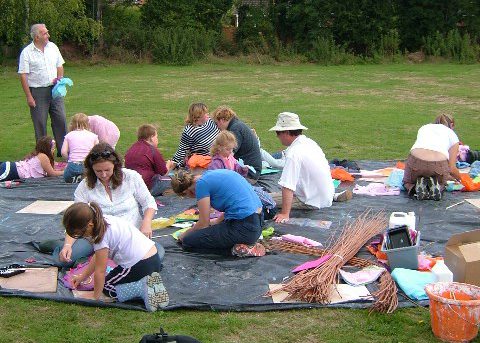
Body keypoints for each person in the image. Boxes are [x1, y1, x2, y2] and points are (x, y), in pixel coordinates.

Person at [55, 143, 157, 267]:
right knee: (63, 260)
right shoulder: (85, 185)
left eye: (107, 170)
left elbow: (148, 202)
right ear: (91, 169)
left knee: (156, 256)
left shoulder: (131, 177)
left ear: (115, 165)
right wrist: (67, 245)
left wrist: (146, 223)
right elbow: (77, 218)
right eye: (98, 171)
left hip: (130, 236)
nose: (103, 175)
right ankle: (65, 249)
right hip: (97, 238)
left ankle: (94, 261)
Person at [63, 202, 168, 311]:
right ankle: (152, 286)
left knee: (106, 287)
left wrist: (95, 296)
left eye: (81, 233)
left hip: (139, 264)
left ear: (89, 225)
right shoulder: (104, 220)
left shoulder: (101, 236)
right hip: (153, 259)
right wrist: (82, 277)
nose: (83, 236)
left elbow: (100, 271)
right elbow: (97, 257)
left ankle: (140, 287)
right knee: (110, 280)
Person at [268, 112, 351, 224]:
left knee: (262, 198)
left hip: (310, 201)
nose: (277, 136)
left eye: (278, 133)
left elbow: (287, 185)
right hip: (326, 195)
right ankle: (333, 196)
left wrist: (284, 214)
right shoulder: (310, 143)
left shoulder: (294, 153)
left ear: (286, 132)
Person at [171, 169, 265, 257]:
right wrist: (217, 221)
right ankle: (245, 243)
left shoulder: (201, 185)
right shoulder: (211, 174)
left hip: (245, 228)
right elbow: (237, 203)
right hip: (257, 221)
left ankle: (242, 249)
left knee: (189, 241)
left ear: (185, 192)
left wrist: (185, 234)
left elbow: (203, 223)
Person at [18, 24, 67, 156]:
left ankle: (63, 151)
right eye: (45, 33)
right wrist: (29, 96)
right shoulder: (27, 52)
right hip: (38, 92)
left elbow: (59, 65)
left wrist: (60, 81)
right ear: (37, 36)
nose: (48, 35)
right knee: (40, 122)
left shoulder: (53, 47)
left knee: (60, 119)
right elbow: (23, 74)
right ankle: (43, 154)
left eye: (47, 32)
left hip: (55, 89)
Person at [403, 114, 461, 201]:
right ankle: (438, 187)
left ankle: (414, 188)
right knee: (442, 182)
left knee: (407, 182)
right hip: (438, 167)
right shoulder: (452, 135)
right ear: (452, 125)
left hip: (416, 163)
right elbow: (452, 168)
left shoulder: (424, 128)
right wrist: (460, 178)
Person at [210, 106, 262, 181]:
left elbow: (229, 155)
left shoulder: (235, 129)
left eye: (216, 123)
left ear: (222, 120)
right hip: (250, 169)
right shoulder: (237, 125)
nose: (217, 127)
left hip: (249, 173)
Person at [125, 124, 173, 196]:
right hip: (146, 187)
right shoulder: (152, 150)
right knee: (175, 180)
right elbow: (163, 172)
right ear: (152, 137)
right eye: (156, 137)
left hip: (131, 186)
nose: (157, 139)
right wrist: (169, 165)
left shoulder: (131, 148)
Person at [171, 103, 219, 169]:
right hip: (202, 164)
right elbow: (182, 151)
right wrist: (171, 165)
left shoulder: (210, 122)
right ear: (198, 116)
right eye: (205, 113)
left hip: (218, 159)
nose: (208, 114)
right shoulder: (189, 131)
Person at [61, 113, 99, 183]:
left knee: (67, 178)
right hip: (87, 166)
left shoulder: (69, 135)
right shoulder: (93, 136)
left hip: (72, 165)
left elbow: (63, 152)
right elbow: (98, 152)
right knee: (89, 180)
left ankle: (75, 179)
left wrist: (68, 159)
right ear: (87, 124)